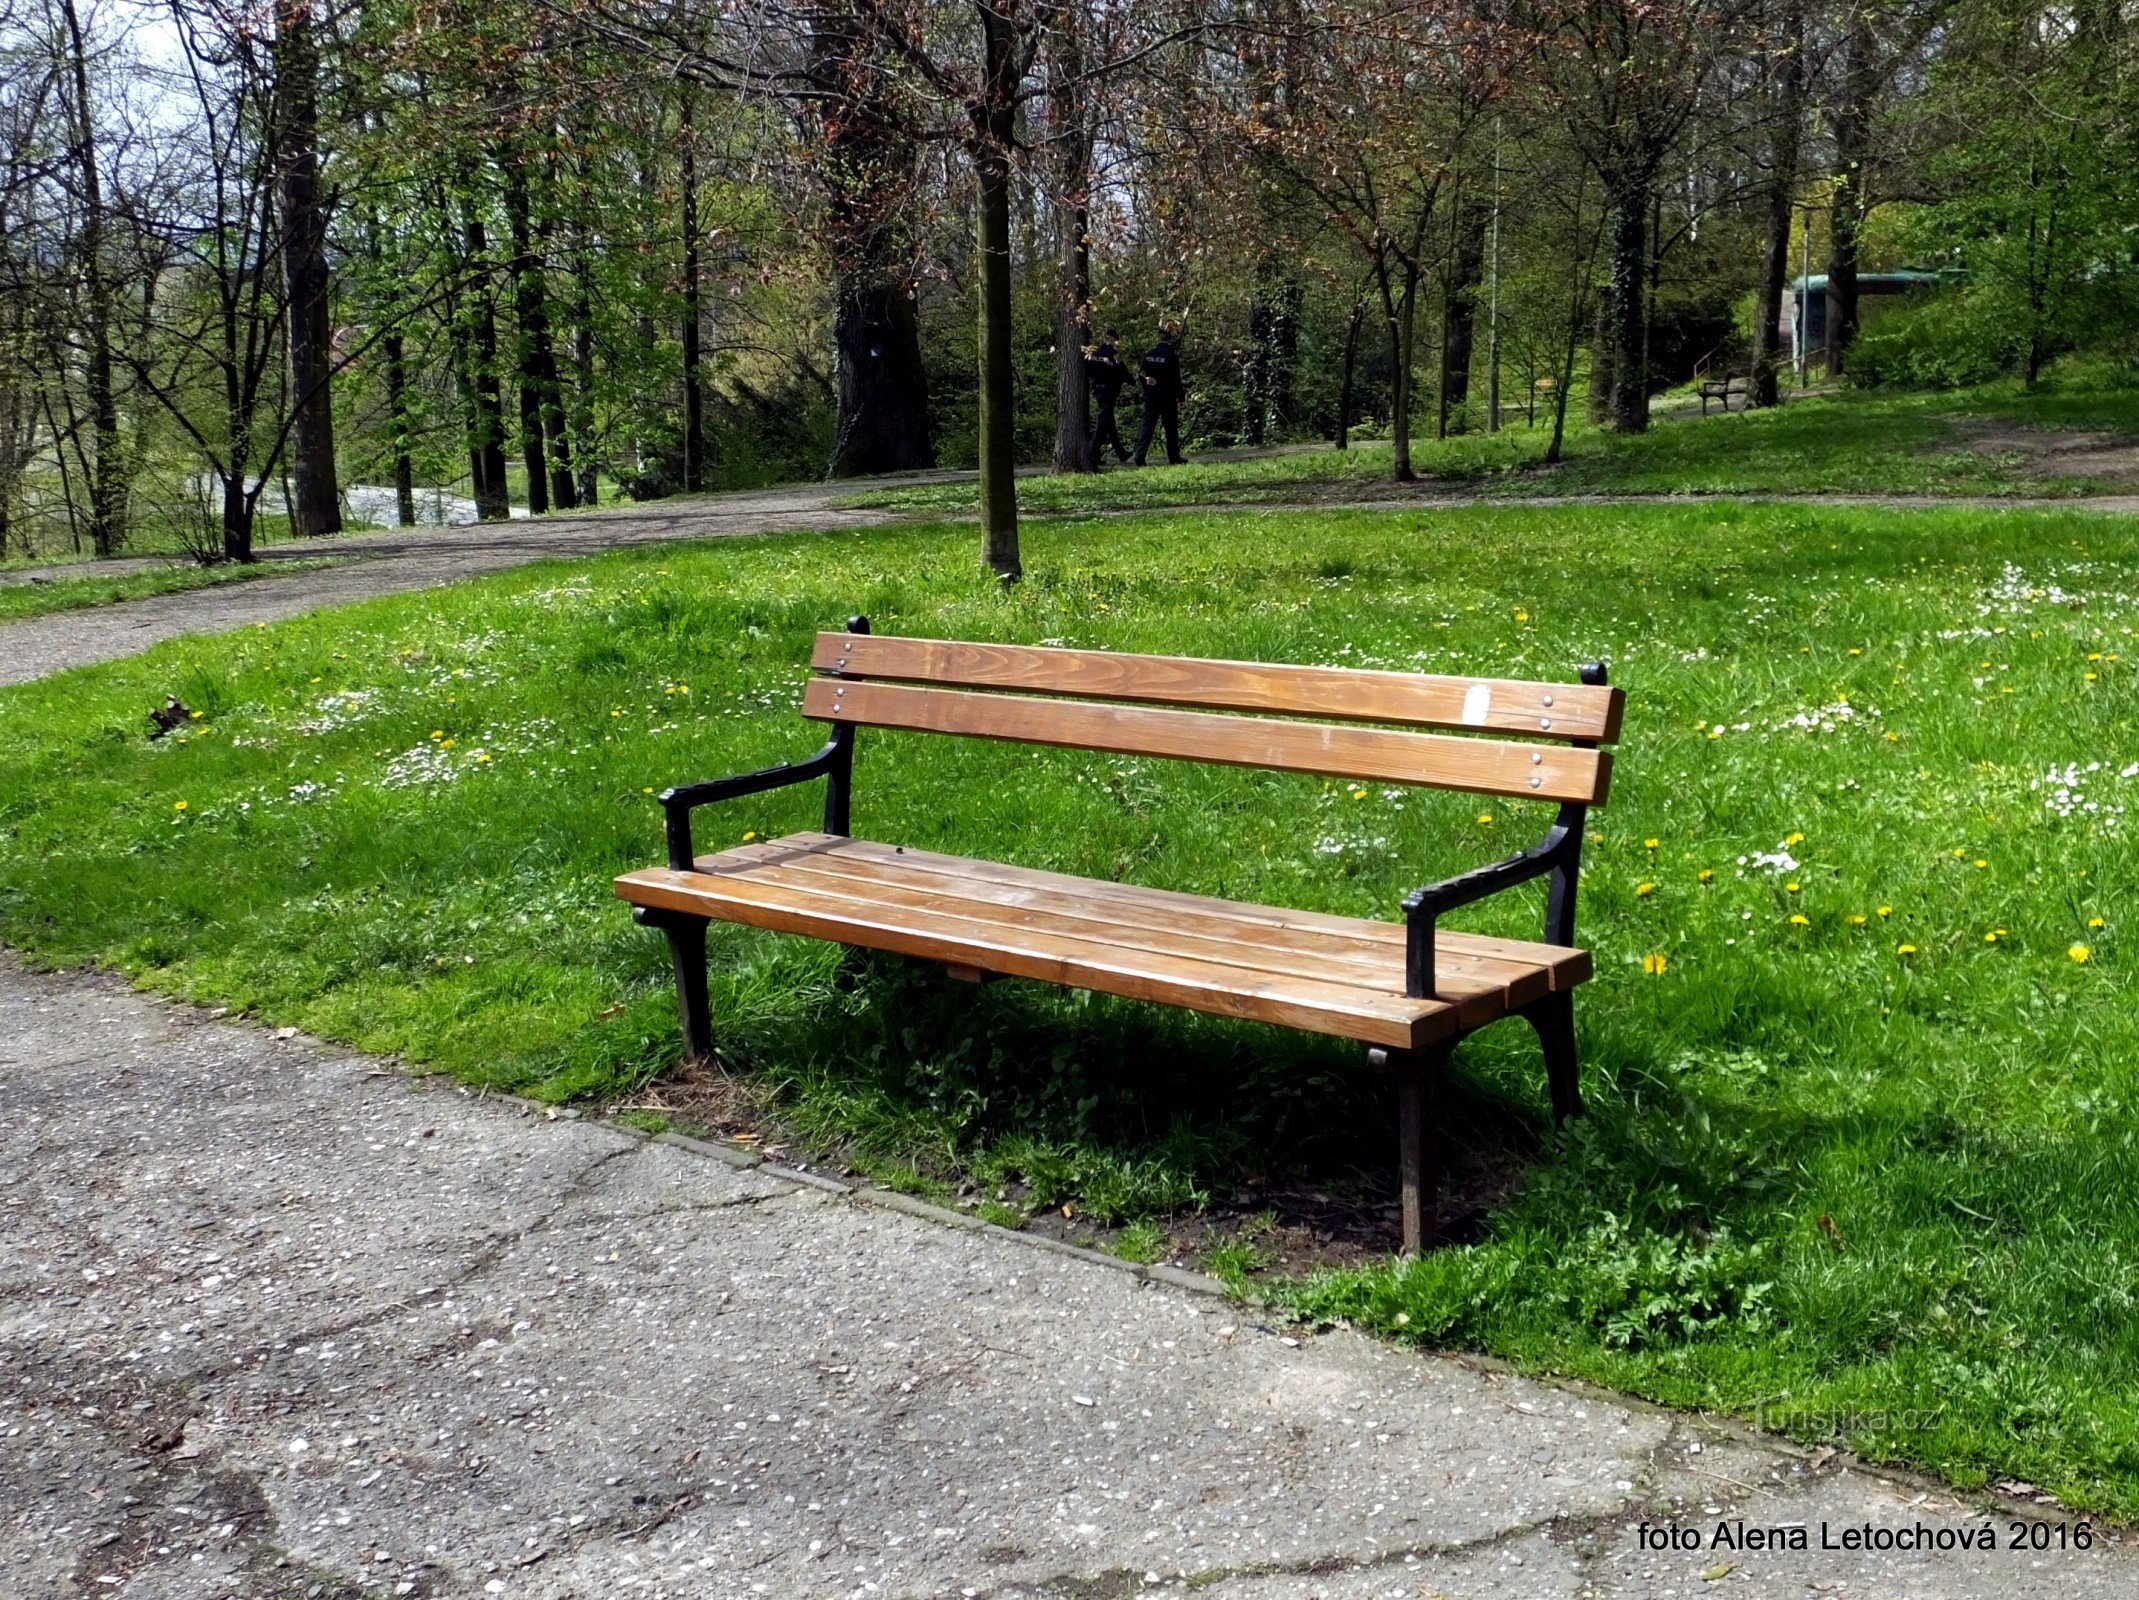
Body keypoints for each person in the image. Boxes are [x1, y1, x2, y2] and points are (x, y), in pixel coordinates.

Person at [1133, 322, 1185, 466]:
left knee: (1148, 425)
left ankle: (1139, 455)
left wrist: (1146, 386)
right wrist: (1181, 398)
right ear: (1169, 341)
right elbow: (1176, 379)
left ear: (1159, 340)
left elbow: (1141, 374)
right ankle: (1173, 457)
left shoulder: (1149, 355)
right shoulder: (1171, 356)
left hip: (1151, 396)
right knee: (1171, 427)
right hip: (1167, 396)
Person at [1084, 330, 1130, 465]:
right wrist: (1134, 382)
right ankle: (1093, 453)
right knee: (1103, 421)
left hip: (1097, 389)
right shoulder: (1113, 354)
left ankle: (1121, 452)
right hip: (1110, 390)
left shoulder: (1094, 353)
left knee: (1109, 421)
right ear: (1112, 339)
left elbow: (1088, 370)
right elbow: (1122, 372)